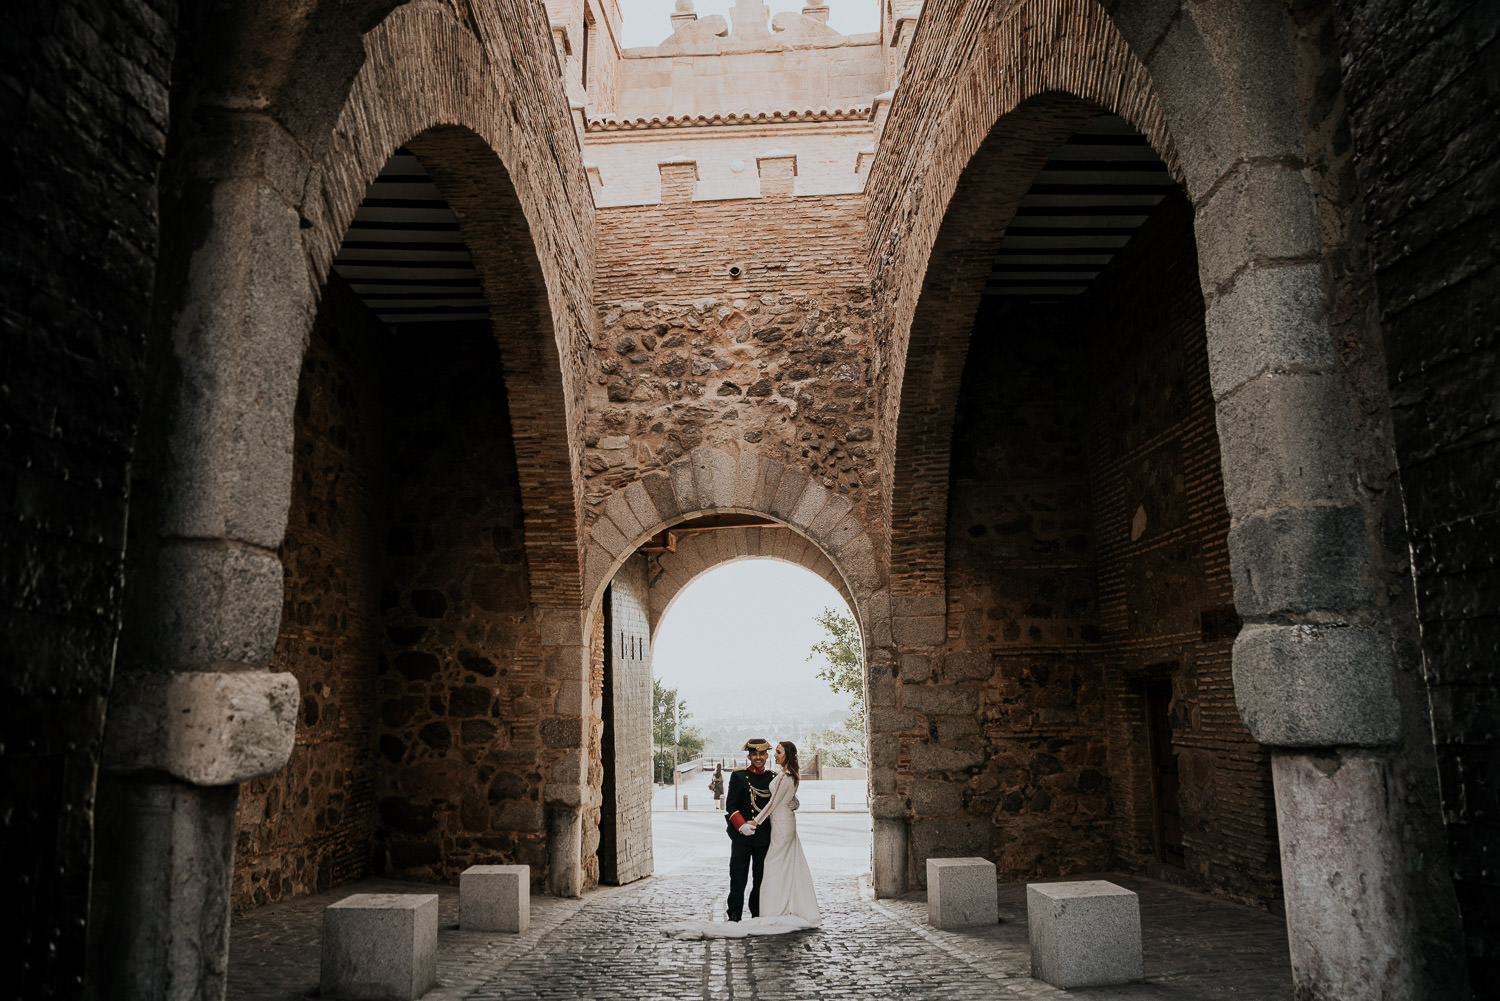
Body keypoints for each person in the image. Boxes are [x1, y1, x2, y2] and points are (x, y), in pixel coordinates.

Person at [747, 740, 820, 926]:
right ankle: (784, 905)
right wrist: (795, 802)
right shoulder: (789, 776)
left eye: (778, 752)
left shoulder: (786, 776)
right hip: (784, 823)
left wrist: (755, 821)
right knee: (785, 866)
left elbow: (772, 803)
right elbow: (789, 798)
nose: (775, 755)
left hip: (781, 825)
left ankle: (773, 910)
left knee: (772, 866)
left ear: (786, 755)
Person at [723, 738, 774, 921]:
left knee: (760, 880)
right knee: (738, 879)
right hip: (742, 837)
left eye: (761, 754)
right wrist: (741, 825)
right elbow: (731, 806)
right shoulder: (738, 777)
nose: (758, 757)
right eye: (754, 754)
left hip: (763, 838)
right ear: (749, 756)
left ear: (767, 756)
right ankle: (734, 916)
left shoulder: (773, 778)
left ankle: (757, 915)